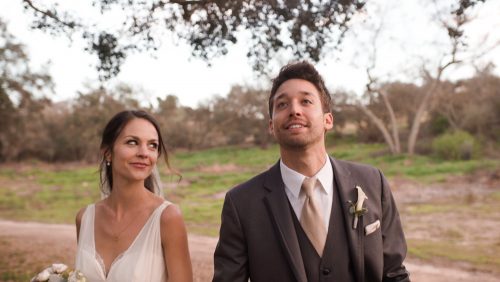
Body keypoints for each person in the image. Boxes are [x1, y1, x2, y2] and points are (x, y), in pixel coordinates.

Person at [213, 61, 410, 282]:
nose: (294, 110)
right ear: (271, 125)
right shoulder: (241, 203)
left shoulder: (373, 183)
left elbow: (394, 273)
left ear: (328, 120)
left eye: (306, 101)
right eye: (282, 105)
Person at [75, 110, 193, 282]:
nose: (144, 153)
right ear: (107, 152)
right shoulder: (84, 218)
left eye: (152, 145)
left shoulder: (167, 218)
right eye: (132, 142)